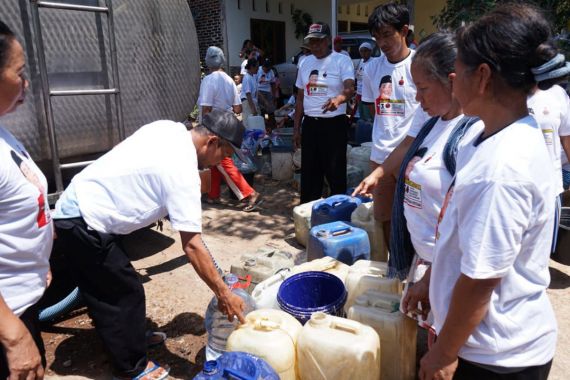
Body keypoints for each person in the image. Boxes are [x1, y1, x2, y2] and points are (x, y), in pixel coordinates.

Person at [415, 4, 567, 379]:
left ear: (481, 76)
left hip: (496, 358)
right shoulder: (484, 136)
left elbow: (481, 280)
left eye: (458, 70)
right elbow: (464, 235)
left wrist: (443, 355)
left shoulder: (502, 169)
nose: (452, 80)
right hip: (486, 343)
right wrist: (431, 278)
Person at [52, 110, 248, 380]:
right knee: (125, 292)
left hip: (86, 203)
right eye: (223, 155)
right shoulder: (183, 172)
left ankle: (126, 337)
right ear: (211, 142)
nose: (220, 163)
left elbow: (123, 151)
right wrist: (224, 293)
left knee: (109, 285)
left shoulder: (168, 128)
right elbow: (192, 245)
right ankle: (132, 365)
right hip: (84, 219)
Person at [0, 20, 52, 380]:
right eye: (19, 72)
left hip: (22, 304)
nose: (26, 82)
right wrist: (14, 337)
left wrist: (39, 257)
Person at [361, 3, 422, 249]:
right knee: (384, 217)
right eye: (377, 37)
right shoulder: (372, 67)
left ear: (404, 30)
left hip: (414, 158)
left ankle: (413, 270)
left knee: (416, 219)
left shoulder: (420, 65)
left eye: (387, 34)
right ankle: (393, 267)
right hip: (381, 156)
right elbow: (370, 107)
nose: (382, 43)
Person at [293, 22, 355, 203]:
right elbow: (299, 98)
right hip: (310, 124)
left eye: (319, 41)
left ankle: (338, 214)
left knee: (335, 173)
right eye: (311, 42)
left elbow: (350, 87)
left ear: (328, 40)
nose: (315, 46)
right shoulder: (304, 63)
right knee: (310, 174)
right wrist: (297, 128)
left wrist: (339, 99)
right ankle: (309, 213)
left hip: (334, 124)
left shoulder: (341, 60)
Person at [198, 46, 262, 211]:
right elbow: (238, 109)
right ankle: (213, 195)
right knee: (215, 162)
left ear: (207, 61)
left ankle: (250, 194)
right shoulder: (228, 79)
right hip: (228, 123)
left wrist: (202, 130)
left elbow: (206, 109)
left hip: (214, 125)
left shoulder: (209, 80)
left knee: (223, 162)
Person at [352, 42, 375, 122]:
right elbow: (356, 77)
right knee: (362, 114)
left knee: (369, 116)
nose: (363, 53)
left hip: (369, 95)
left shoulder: (374, 62)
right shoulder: (360, 62)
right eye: (361, 51)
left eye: (366, 51)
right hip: (359, 93)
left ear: (370, 51)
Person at [240, 58, 259, 127]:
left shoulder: (253, 77)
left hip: (252, 102)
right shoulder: (247, 78)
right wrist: (253, 109)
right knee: (248, 124)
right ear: (252, 67)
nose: (258, 69)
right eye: (257, 67)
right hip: (248, 103)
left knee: (254, 124)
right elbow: (248, 95)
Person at [257, 59, 277, 125]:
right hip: (259, 91)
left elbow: (273, 83)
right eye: (266, 68)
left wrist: (274, 95)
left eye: (269, 68)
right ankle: (265, 123)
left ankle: (271, 123)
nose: (267, 70)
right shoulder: (258, 70)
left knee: (270, 109)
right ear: (263, 66)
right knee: (263, 110)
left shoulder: (271, 72)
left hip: (268, 91)